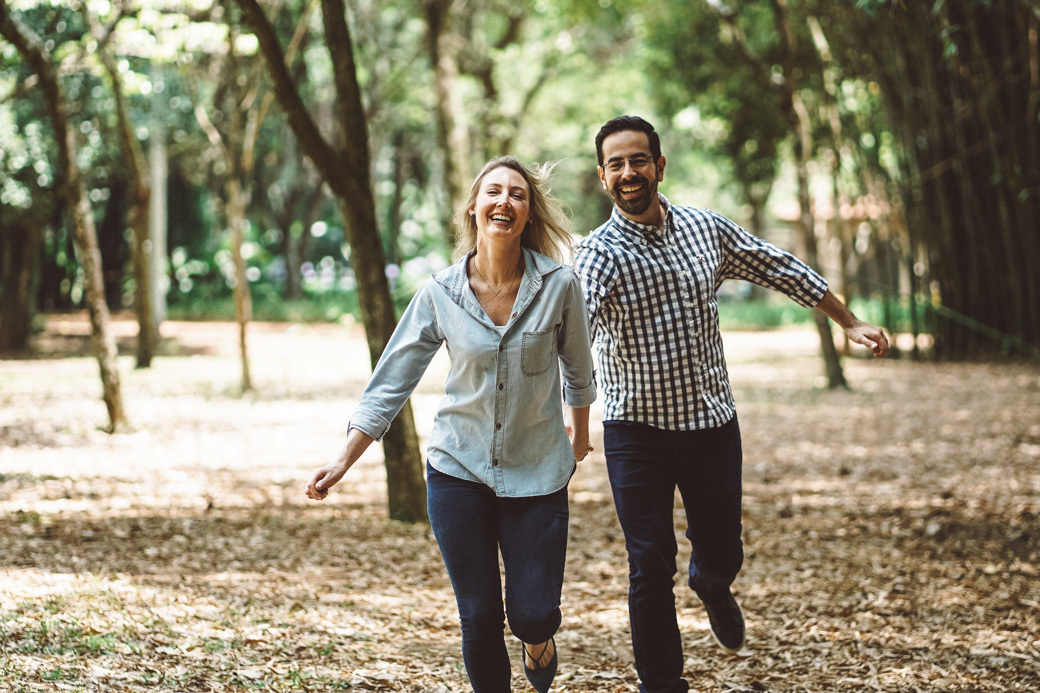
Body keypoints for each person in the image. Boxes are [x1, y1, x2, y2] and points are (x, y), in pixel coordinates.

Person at [572, 116, 889, 693]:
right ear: (602, 177)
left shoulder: (704, 230)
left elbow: (779, 267)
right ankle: (662, 684)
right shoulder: (597, 256)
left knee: (722, 551)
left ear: (659, 166)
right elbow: (575, 332)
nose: (628, 172)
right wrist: (563, 412)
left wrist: (850, 320)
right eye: (615, 164)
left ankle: (713, 585)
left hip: (710, 422)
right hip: (633, 430)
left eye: (638, 159)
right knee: (648, 564)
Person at [306, 156, 597, 693]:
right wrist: (343, 460)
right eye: (493, 192)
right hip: (458, 470)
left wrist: (578, 434)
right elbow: (391, 382)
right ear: (474, 206)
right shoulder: (440, 292)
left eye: (517, 194)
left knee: (532, 613)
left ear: (529, 213)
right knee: (480, 614)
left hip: (539, 472)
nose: (504, 201)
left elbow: (579, 368)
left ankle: (539, 642)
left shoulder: (558, 285)